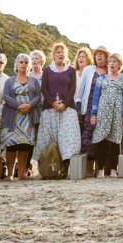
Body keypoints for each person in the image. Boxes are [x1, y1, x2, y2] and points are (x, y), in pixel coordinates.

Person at [34, 43, 81, 178]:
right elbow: (44, 89)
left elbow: (72, 89)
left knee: (67, 140)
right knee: (47, 139)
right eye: (58, 52)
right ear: (53, 55)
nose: (60, 54)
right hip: (49, 110)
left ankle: (65, 171)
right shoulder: (47, 71)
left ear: (65, 55)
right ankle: (45, 170)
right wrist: (53, 103)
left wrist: (64, 104)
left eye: (62, 52)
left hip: (67, 110)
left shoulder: (71, 71)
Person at [90, 53, 123, 178]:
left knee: (115, 141)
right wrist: (94, 114)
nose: (112, 64)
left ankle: (114, 169)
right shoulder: (101, 79)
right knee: (101, 141)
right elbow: (96, 97)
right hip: (103, 113)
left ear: (119, 64)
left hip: (117, 113)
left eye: (115, 62)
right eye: (111, 61)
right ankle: (100, 170)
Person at [1, 54, 41, 181]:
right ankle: (10, 174)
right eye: (21, 62)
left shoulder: (34, 81)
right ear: (16, 65)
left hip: (28, 116)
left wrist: (29, 105)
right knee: (11, 145)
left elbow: (38, 96)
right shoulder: (9, 81)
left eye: (26, 62)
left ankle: (22, 173)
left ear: (29, 65)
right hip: (13, 116)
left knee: (25, 145)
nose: (23, 64)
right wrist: (19, 106)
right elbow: (6, 96)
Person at [77, 46, 109, 173]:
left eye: (102, 54)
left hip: (105, 109)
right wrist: (78, 103)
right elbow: (82, 87)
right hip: (90, 107)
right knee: (88, 137)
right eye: (97, 54)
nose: (99, 56)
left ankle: (100, 168)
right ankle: (88, 169)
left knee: (103, 137)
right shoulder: (89, 70)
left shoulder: (109, 70)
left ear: (106, 57)